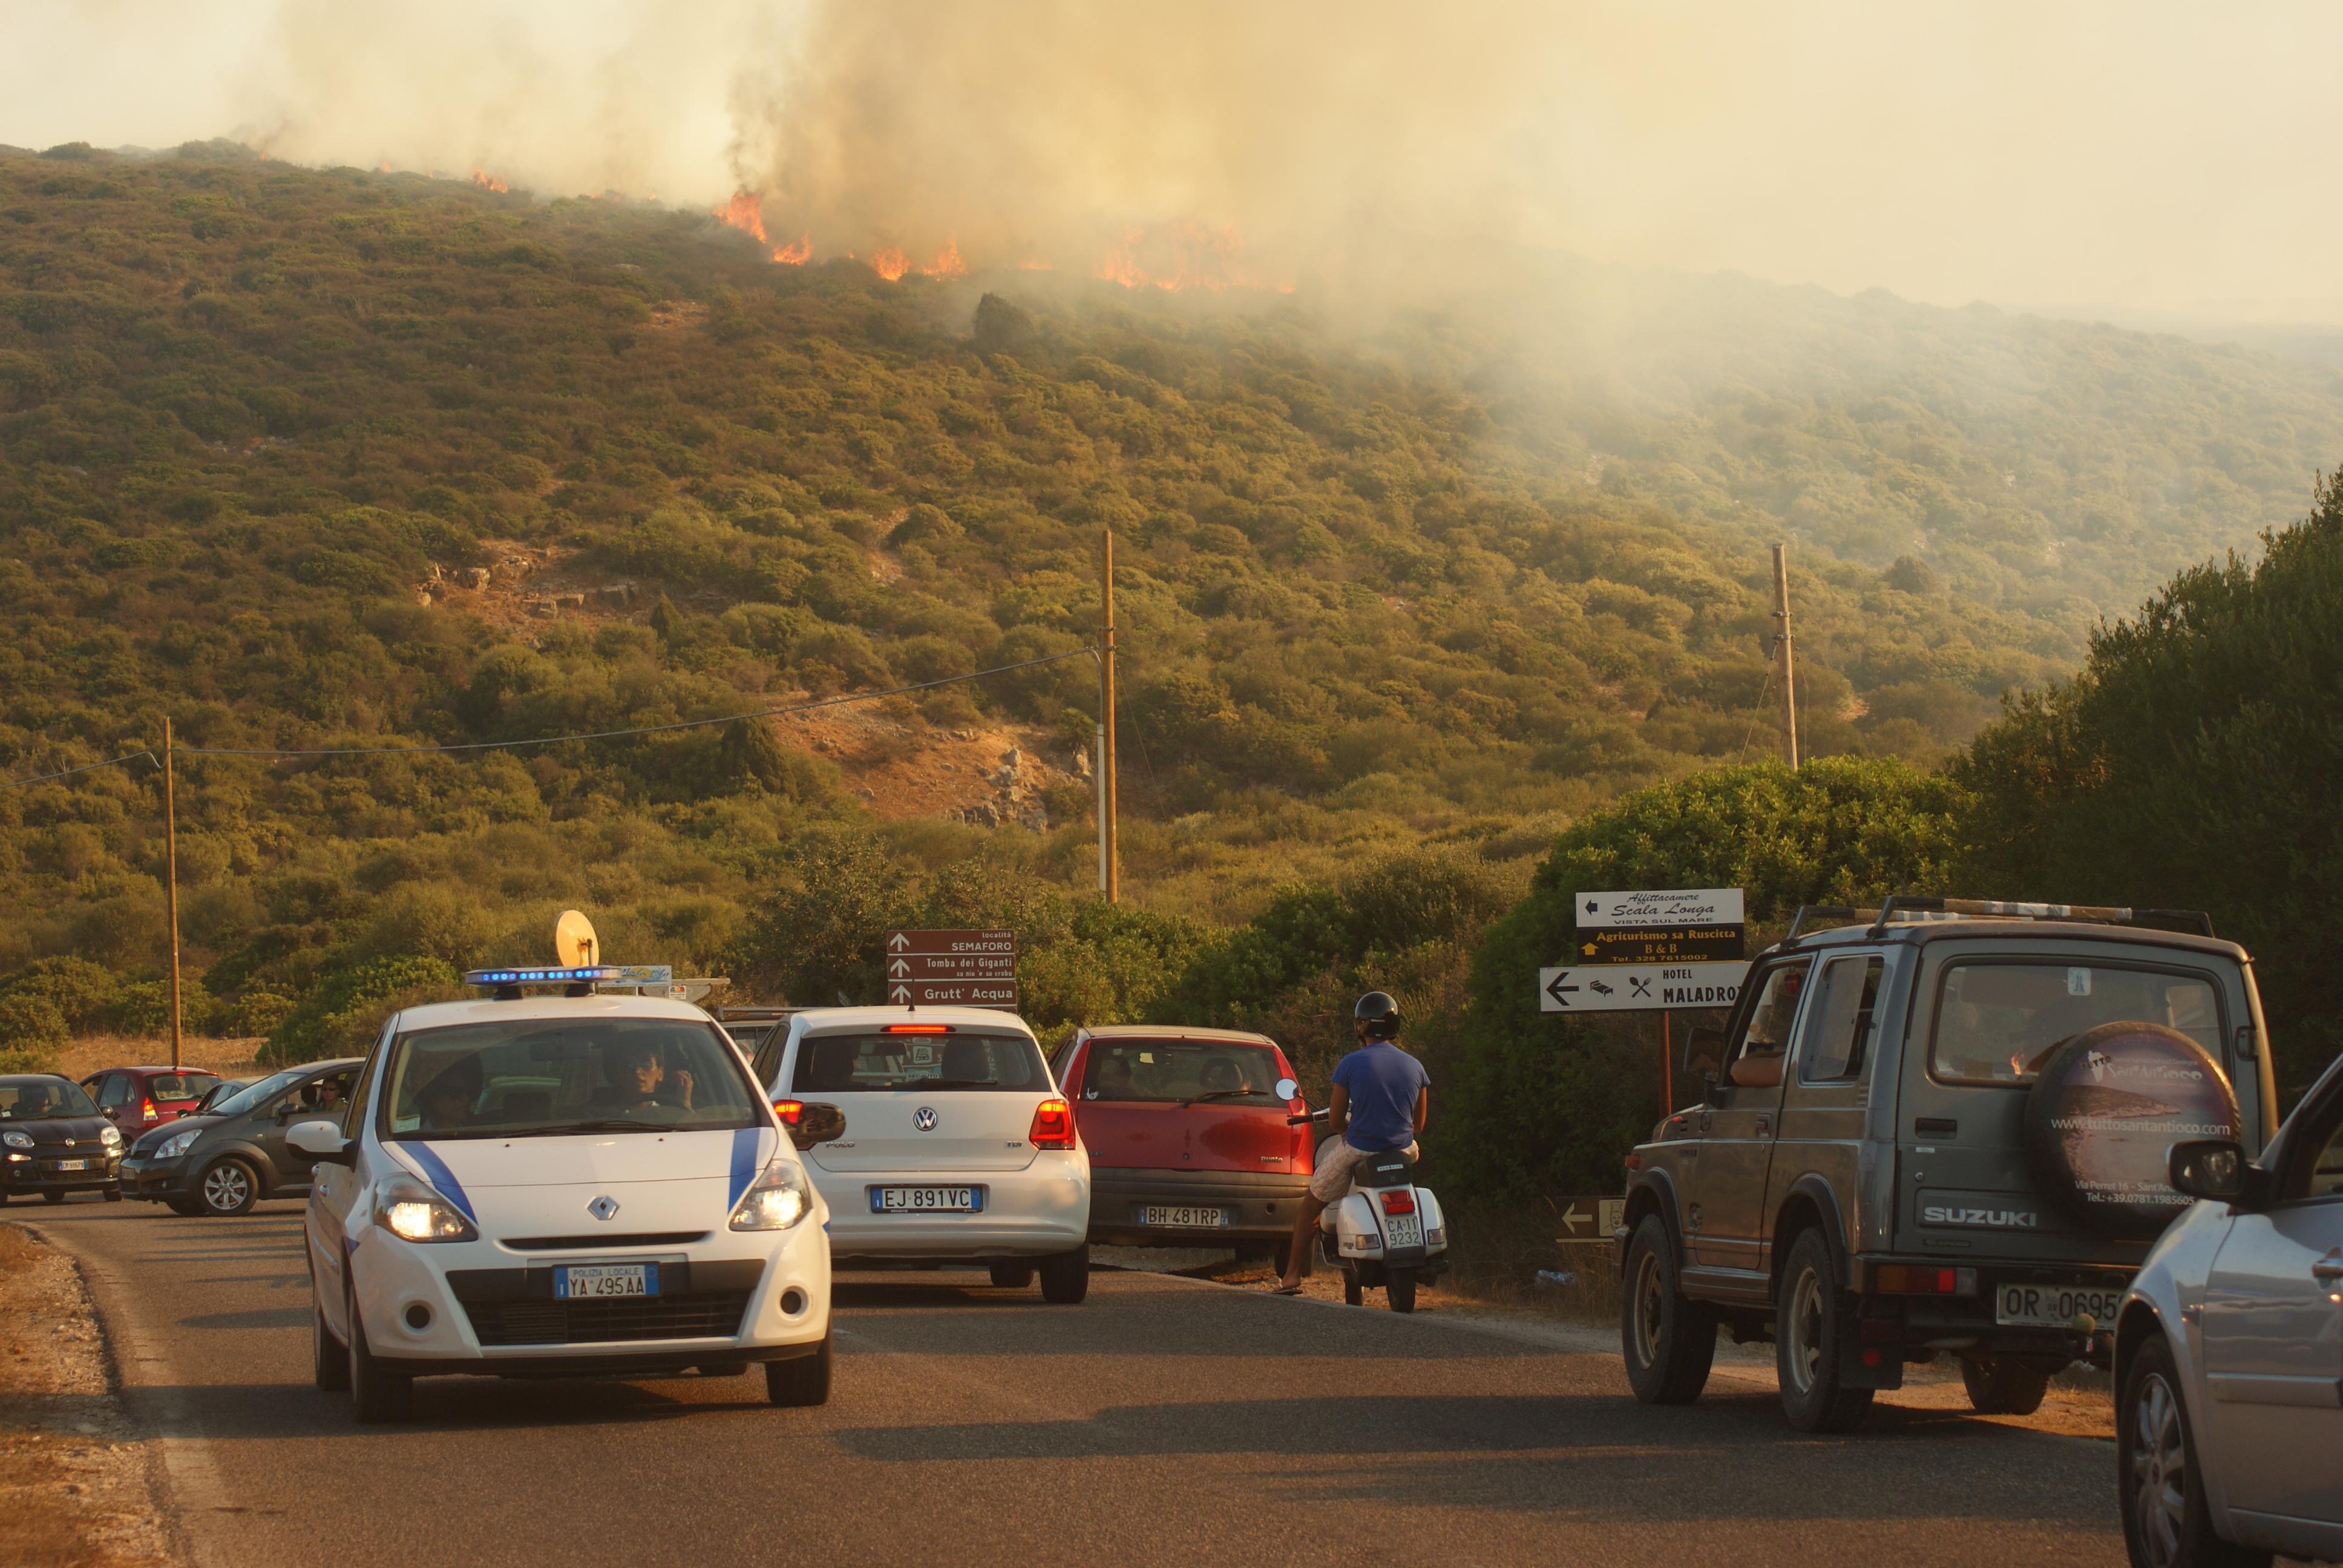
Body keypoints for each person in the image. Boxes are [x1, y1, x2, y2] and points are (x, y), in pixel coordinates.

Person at [1274, 991, 1429, 1294]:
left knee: (1310, 1206)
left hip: (1359, 1149)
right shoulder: (1416, 1066)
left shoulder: (1350, 1064)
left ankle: (1291, 1276)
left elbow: (1334, 1122)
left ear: (1362, 1026)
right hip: (1404, 1151)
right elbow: (1419, 1125)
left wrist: (1350, 1127)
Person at [596, 1040, 693, 1112]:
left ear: (660, 1074)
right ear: (617, 1075)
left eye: (646, 1063)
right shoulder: (601, 1118)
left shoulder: (670, 1117)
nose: (637, 1071)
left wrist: (684, 1103)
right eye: (628, 1065)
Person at [416, 1059, 480, 1132]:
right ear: (433, 1095)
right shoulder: (411, 1140)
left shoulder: (477, 1136)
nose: (466, 1098)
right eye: (456, 1092)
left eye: (468, 1092)